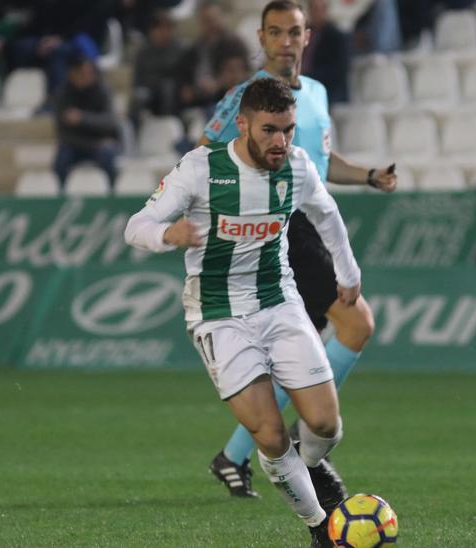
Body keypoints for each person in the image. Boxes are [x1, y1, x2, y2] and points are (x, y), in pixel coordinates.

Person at [125, 77, 358, 548]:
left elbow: (327, 214)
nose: (281, 141)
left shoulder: (297, 167)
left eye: (288, 130)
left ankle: (306, 465)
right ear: (244, 123)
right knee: (269, 434)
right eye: (271, 130)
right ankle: (320, 527)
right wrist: (165, 236)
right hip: (217, 314)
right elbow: (137, 226)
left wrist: (348, 273)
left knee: (327, 426)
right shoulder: (200, 169)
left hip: (278, 302)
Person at [198, 0, 397, 505]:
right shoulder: (246, 98)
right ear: (260, 39)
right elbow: (205, 154)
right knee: (356, 325)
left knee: (302, 350)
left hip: (304, 218)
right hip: (276, 230)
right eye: (275, 32)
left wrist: (369, 176)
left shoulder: (317, 94)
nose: (286, 41)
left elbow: (320, 167)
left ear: (308, 37)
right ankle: (310, 451)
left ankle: (237, 455)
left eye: (294, 32)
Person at [52, 53, 122, 187]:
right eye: (81, 73)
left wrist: (82, 118)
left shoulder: (103, 90)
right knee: (61, 160)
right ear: (72, 73)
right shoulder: (62, 94)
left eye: (88, 72)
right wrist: (93, 143)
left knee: (108, 155)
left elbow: (110, 122)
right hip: (76, 144)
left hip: (102, 143)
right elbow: (62, 133)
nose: (86, 76)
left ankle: (113, 193)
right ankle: (61, 196)